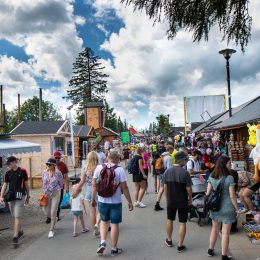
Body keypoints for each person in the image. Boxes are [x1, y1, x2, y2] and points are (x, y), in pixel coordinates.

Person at [91, 151, 133, 256]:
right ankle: (114, 249)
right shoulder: (119, 170)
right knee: (114, 224)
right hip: (115, 202)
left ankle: (102, 242)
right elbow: (125, 188)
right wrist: (130, 202)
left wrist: (93, 199)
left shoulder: (99, 168)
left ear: (108, 158)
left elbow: (94, 185)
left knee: (104, 222)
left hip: (102, 200)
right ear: (116, 159)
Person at [206, 155, 240, 260]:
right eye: (229, 163)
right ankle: (224, 256)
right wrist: (238, 209)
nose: (231, 165)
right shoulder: (229, 178)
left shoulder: (212, 175)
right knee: (225, 233)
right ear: (224, 164)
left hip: (215, 207)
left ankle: (210, 250)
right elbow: (232, 196)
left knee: (214, 229)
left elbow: (207, 193)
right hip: (227, 209)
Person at [163, 151, 192, 252]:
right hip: (182, 201)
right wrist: (190, 199)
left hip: (171, 200)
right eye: (185, 160)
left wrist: (167, 198)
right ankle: (180, 245)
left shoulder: (167, 171)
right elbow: (189, 189)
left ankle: (169, 240)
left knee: (169, 219)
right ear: (182, 160)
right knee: (182, 223)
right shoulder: (185, 173)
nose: (186, 161)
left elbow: (165, 188)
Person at [0, 156, 30, 246]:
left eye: (9, 164)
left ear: (13, 162)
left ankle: (15, 236)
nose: (8, 166)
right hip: (11, 197)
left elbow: (26, 185)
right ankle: (20, 231)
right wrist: (1, 196)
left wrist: (28, 196)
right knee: (14, 215)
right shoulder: (7, 173)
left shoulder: (23, 171)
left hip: (20, 197)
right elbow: (5, 185)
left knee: (17, 216)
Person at [73, 151, 101, 236]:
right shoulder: (100, 167)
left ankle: (95, 229)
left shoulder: (85, 168)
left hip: (89, 190)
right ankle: (99, 224)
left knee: (92, 211)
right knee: (101, 210)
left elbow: (81, 182)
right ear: (97, 158)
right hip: (100, 190)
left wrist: (75, 191)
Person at [42, 158, 64, 239]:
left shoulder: (58, 173)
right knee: (46, 211)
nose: (48, 166)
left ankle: (51, 230)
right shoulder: (44, 172)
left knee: (53, 211)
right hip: (46, 194)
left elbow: (61, 184)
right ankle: (54, 218)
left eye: (50, 164)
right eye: (47, 164)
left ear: (54, 165)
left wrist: (58, 190)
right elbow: (43, 183)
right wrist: (44, 192)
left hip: (55, 193)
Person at [154, 145, 174, 211]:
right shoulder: (168, 157)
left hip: (160, 173)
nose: (173, 151)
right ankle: (169, 204)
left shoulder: (162, 155)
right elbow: (169, 169)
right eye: (172, 150)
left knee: (162, 188)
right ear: (170, 150)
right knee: (166, 189)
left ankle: (157, 204)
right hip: (166, 175)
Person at [54, 151, 69, 222]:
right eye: (55, 158)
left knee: (59, 201)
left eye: (58, 158)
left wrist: (67, 187)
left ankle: (57, 215)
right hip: (52, 187)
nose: (57, 159)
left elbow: (66, 177)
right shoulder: (51, 164)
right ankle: (50, 216)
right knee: (52, 202)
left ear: (60, 158)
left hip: (60, 187)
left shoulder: (63, 165)